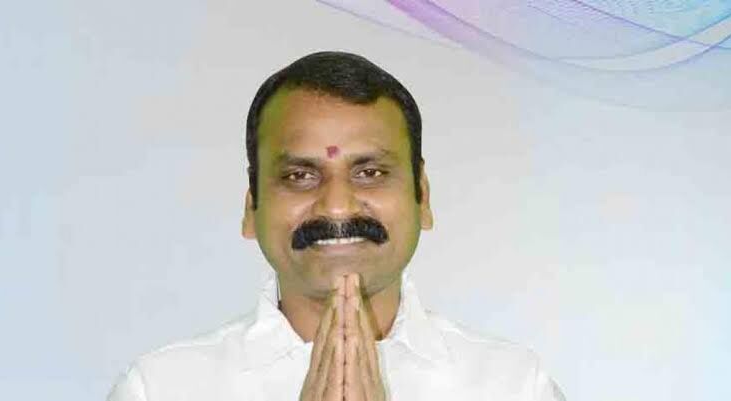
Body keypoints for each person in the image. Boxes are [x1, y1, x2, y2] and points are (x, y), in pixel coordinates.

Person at [108, 51, 565, 401]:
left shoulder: (513, 385)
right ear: (251, 207)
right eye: (299, 176)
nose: (338, 206)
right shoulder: (162, 389)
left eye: (370, 172)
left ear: (422, 197)